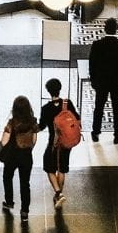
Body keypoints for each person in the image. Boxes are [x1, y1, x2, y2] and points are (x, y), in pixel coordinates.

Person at [87, 17, 118, 144]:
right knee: (117, 109)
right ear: (116, 29)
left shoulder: (97, 45)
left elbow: (92, 64)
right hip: (117, 83)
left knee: (99, 108)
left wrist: (93, 80)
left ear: (104, 29)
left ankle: (95, 132)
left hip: (101, 82)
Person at [38, 77, 81, 209]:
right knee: (62, 168)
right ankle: (58, 196)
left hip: (54, 142)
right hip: (66, 142)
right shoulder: (68, 103)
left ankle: (58, 193)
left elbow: (42, 126)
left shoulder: (46, 108)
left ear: (48, 91)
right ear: (59, 89)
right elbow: (77, 118)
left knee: (49, 167)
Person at [0, 95, 39, 221]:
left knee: (7, 177)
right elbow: (34, 140)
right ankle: (24, 211)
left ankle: (9, 202)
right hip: (26, 156)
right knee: (25, 184)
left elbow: (4, 142)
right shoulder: (33, 122)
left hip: (12, 156)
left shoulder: (11, 123)